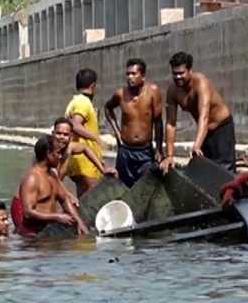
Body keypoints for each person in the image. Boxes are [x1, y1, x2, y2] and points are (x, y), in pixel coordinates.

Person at [160, 51, 236, 173]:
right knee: (204, 172)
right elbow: (170, 123)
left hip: (221, 128)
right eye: (175, 74)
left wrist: (196, 145)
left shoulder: (201, 83)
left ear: (190, 71)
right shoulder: (173, 91)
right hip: (204, 132)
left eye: (181, 73)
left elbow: (204, 116)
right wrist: (169, 156)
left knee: (224, 172)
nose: (178, 77)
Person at [105, 58, 164, 188]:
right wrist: (116, 132)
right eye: (128, 74)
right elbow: (107, 108)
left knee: (147, 187)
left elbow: (158, 122)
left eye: (133, 74)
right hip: (125, 150)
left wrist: (159, 149)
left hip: (145, 151)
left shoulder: (152, 92)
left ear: (142, 76)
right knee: (123, 188)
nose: (130, 77)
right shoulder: (120, 94)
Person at [16, 135, 88, 236]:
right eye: (58, 153)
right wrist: (56, 217)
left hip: (50, 232)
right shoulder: (32, 178)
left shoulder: (53, 175)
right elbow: (28, 212)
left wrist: (79, 222)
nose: (60, 157)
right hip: (32, 237)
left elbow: (64, 200)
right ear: (49, 154)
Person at [65, 68, 106, 196]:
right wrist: (96, 138)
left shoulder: (75, 101)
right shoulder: (83, 102)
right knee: (90, 201)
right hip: (84, 164)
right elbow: (76, 125)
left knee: (85, 198)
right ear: (93, 86)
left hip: (82, 162)